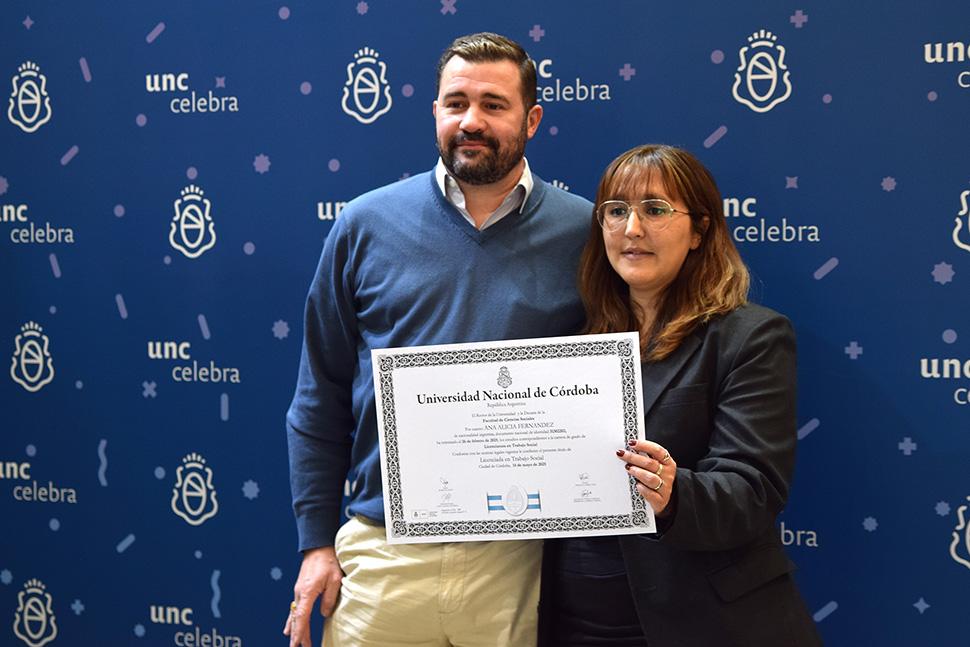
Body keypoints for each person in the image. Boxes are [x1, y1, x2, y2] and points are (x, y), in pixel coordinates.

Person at [283, 32, 592, 647]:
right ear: (435, 113)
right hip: (384, 552)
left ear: (532, 120)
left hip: (523, 558)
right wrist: (316, 543)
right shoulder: (363, 225)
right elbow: (319, 394)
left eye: (493, 105)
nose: (471, 121)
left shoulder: (587, 233)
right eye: (456, 103)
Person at [538, 144, 822, 646]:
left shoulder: (749, 337)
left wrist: (674, 494)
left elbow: (753, 489)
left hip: (702, 625)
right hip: (574, 624)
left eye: (655, 210)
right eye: (616, 211)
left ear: (699, 231)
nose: (632, 228)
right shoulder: (571, 345)